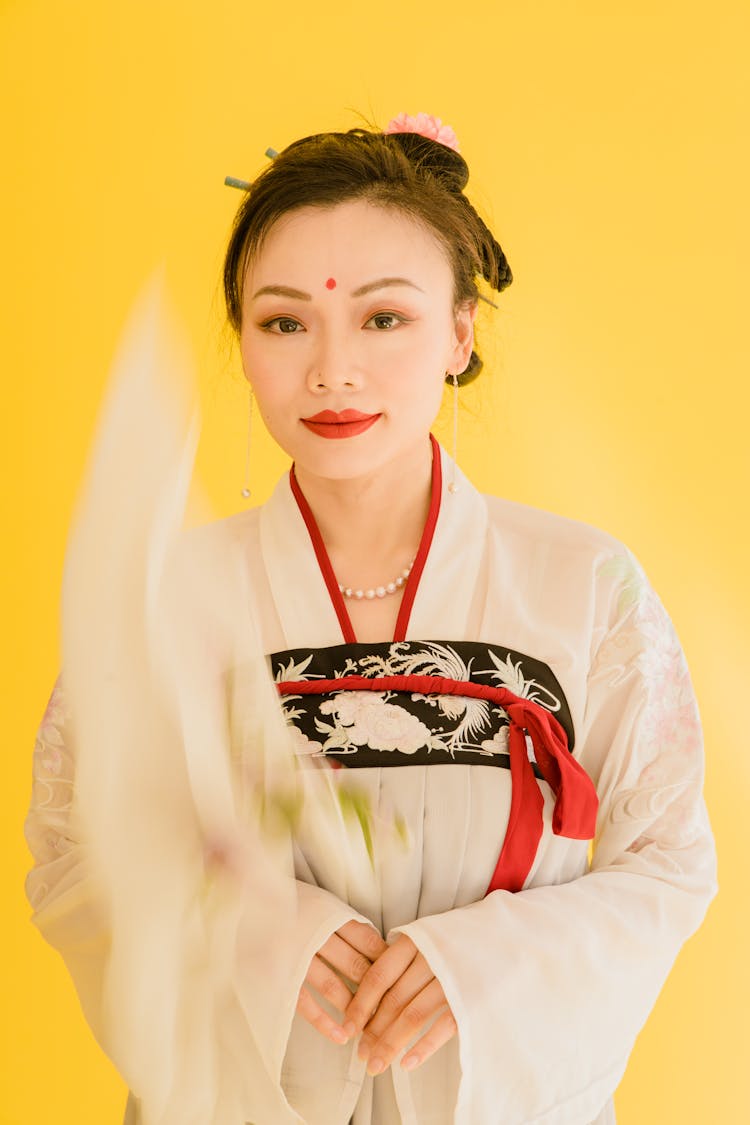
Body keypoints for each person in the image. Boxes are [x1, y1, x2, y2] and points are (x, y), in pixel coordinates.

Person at [24, 114, 717, 1125]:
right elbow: (76, 851)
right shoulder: (165, 599)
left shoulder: (584, 588)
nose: (332, 370)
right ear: (243, 340)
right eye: (284, 321)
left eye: (383, 319)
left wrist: (482, 967)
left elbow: (667, 861)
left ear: (459, 332)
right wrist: (257, 934)